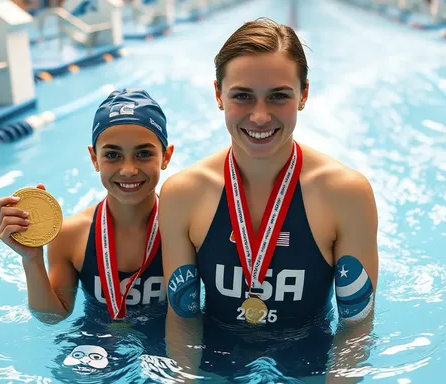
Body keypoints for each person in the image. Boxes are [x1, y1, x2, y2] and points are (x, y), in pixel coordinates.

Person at [159, 18, 379, 380]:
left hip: (312, 359)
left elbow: (355, 327)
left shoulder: (345, 194)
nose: (260, 116)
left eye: (279, 96)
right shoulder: (184, 193)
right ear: (218, 95)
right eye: (242, 96)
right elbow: (182, 318)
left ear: (304, 95)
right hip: (217, 359)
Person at [0, 89, 175, 377]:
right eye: (112, 155)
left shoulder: (184, 225)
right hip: (96, 335)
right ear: (94, 159)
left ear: (166, 156)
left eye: (143, 153)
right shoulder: (71, 234)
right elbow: (52, 316)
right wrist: (31, 258)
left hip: (171, 334)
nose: (128, 169)